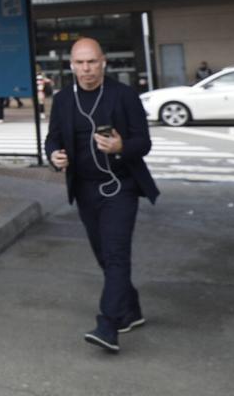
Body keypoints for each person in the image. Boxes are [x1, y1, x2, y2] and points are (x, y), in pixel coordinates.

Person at [45, 37, 159, 354]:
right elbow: (52, 139)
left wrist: (122, 147)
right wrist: (54, 155)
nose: (86, 69)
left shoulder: (123, 96)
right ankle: (130, 310)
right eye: (80, 63)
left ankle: (108, 325)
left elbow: (144, 142)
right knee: (105, 257)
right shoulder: (64, 99)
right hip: (84, 189)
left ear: (103, 62)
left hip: (121, 186)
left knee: (116, 254)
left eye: (92, 62)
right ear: (71, 66)